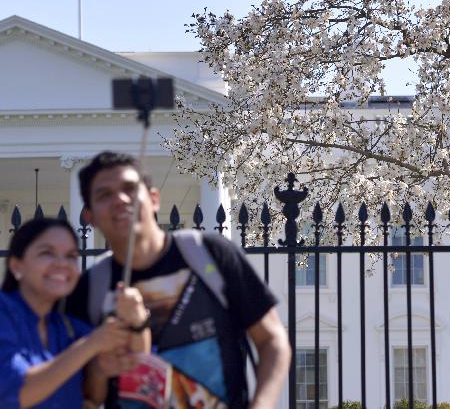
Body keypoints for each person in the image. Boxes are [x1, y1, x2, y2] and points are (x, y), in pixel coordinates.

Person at [66, 151, 291, 409]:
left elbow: (272, 340)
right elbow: (86, 395)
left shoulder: (211, 253)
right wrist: (98, 369)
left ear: (153, 199)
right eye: (104, 195)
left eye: (130, 188)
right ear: (89, 216)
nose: (120, 199)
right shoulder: (89, 288)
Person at [0, 216, 151, 409]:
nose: (62, 263)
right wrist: (92, 344)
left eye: (71, 256)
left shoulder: (65, 327)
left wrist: (137, 320)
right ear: (16, 265)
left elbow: (133, 363)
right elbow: (16, 391)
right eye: (47, 253)